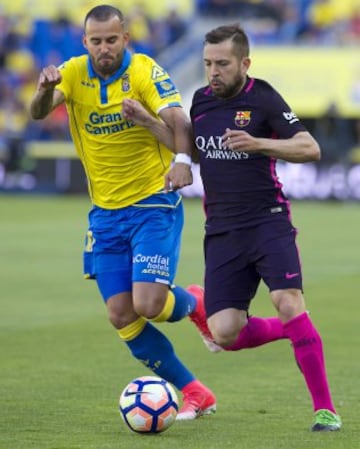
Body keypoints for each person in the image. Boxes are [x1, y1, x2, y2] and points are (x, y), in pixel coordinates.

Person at [124, 23, 342, 432]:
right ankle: (294, 331)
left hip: (267, 222)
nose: (213, 72)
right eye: (208, 63)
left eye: (222, 64)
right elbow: (191, 149)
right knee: (225, 332)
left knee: (288, 301)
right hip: (222, 232)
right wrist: (147, 122)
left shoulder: (263, 97)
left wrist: (261, 143)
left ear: (244, 63)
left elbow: (310, 147)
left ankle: (325, 410)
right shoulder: (201, 101)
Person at [29, 4, 216, 421]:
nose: (104, 48)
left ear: (125, 38)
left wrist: (182, 159)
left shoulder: (146, 71)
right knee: (121, 315)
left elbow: (176, 118)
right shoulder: (73, 72)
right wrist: (44, 89)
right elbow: (39, 113)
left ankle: (196, 302)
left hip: (152, 202)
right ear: (85, 42)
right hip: (105, 214)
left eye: (111, 39)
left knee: (148, 304)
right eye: (96, 41)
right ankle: (195, 391)